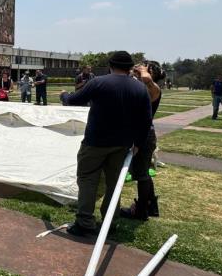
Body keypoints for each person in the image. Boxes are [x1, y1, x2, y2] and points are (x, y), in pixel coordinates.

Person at [59, 51, 152, 237]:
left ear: (110, 65)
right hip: (122, 145)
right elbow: (146, 121)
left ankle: (85, 221)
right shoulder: (140, 89)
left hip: (95, 142)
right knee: (113, 184)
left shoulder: (99, 82)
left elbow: (75, 100)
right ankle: (110, 222)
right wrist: (138, 144)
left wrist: (64, 96)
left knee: (87, 180)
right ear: (129, 68)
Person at [121, 61, 164, 221]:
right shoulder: (139, 86)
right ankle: (150, 206)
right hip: (140, 134)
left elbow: (146, 79)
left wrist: (143, 71)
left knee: (141, 174)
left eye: (144, 68)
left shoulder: (154, 89)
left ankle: (141, 211)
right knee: (142, 172)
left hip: (144, 136)